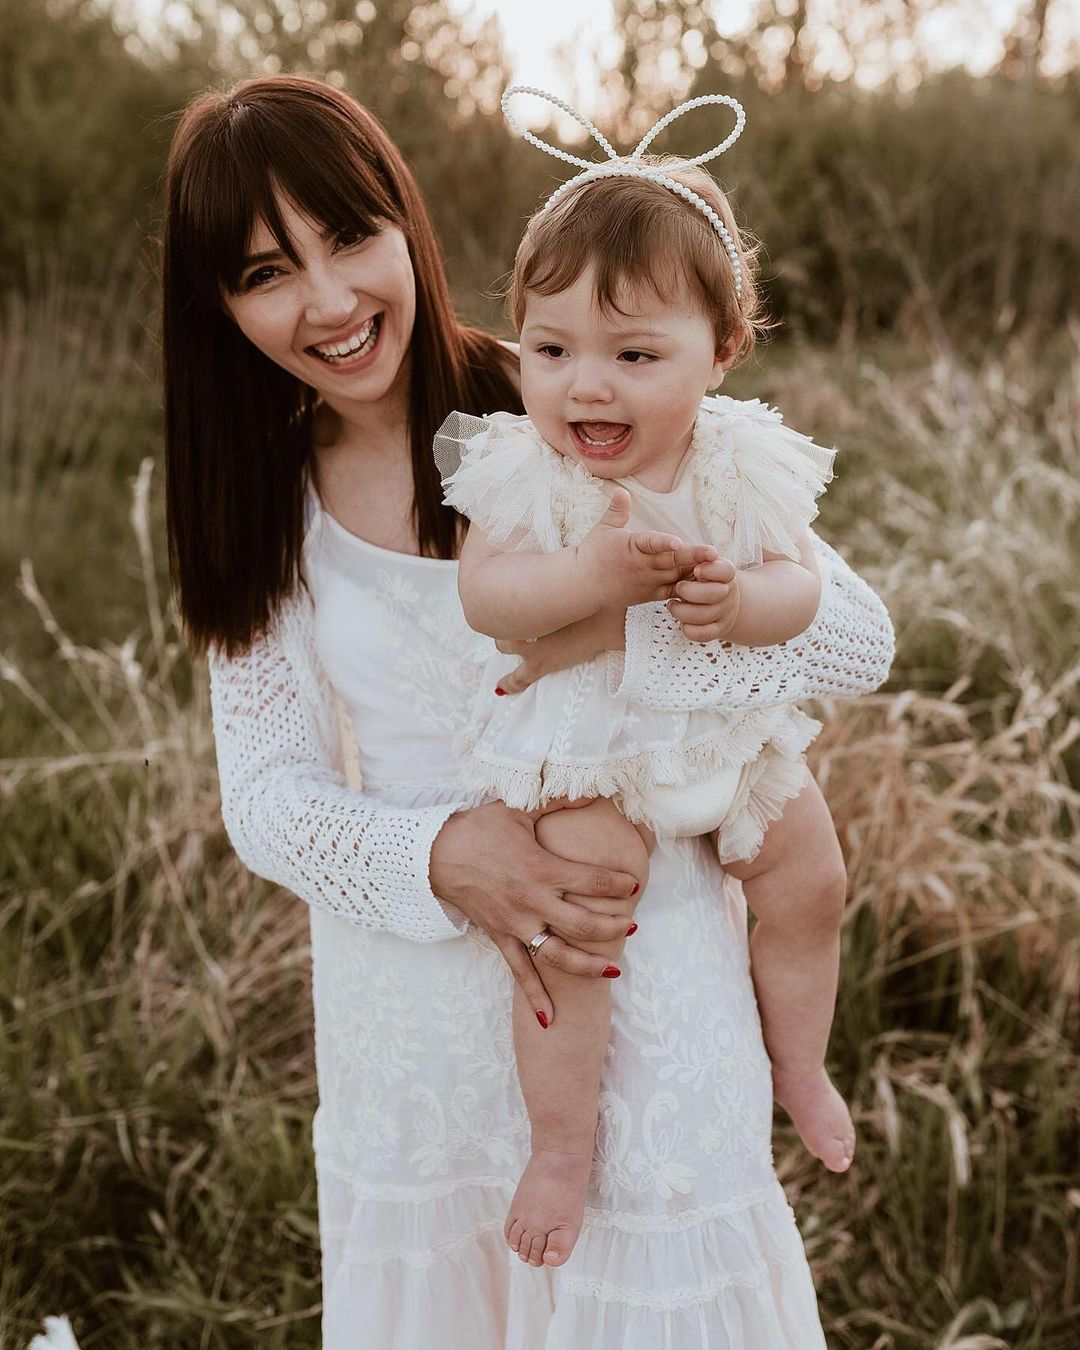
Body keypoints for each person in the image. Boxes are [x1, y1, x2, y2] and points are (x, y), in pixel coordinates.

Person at [163, 73, 894, 1348]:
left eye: (349, 239)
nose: (329, 303)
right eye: (267, 272)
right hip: (411, 1026)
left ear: (407, 223)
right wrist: (449, 854)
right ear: (219, 305)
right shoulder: (254, 503)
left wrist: (619, 624)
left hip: (644, 973)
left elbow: (853, 633)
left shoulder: (569, 396)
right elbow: (266, 800)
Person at [435, 87, 867, 1272]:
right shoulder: (523, 468)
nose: (587, 388)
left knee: (812, 874)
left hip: (727, 741)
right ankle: (561, 1146)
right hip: (590, 754)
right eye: (554, 349)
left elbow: (805, 592)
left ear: (718, 353)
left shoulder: (739, 456)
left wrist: (742, 606)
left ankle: (801, 1062)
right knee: (584, 906)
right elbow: (488, 597)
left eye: (635, 354)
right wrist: (584, 571)